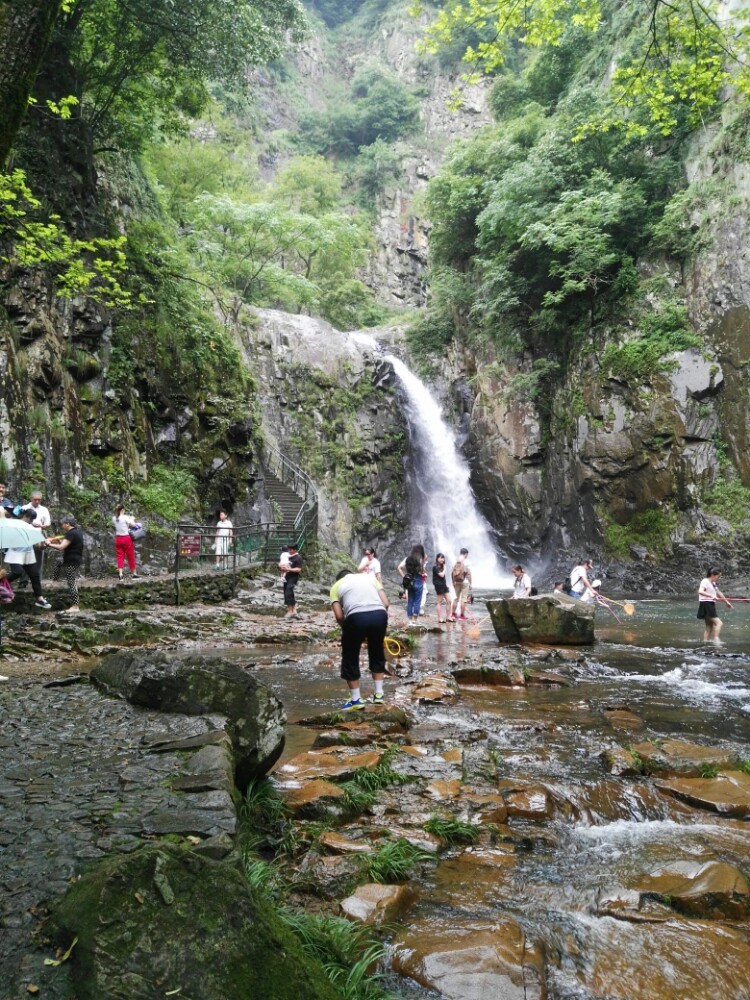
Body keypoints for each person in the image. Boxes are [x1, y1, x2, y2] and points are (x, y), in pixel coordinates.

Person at [329, 568, 390, 710]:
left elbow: (339, 615)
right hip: (379, 615)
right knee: (376, 651)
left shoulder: (336, 586)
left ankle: (356, 700)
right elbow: (386, 603)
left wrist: (349, 629)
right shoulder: (370, 578)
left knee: (350, 656)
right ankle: (379, 695)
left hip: (356, 617)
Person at [4, 509, 51, 609]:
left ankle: (40, 599)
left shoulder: (31, 528)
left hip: (28, 554)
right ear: (25, 516)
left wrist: (45, 544)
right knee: (17, 572)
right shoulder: (14, 524)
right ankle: (1, 583)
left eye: (32, 519)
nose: (30, 521)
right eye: (30, 518)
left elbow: (39, 545)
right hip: (15, 553)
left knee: (35, 575)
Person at [45, 516, 84, 613]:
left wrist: (49, 544)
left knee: (71, 582)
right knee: (58, 561)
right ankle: (54, 582)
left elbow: (62, 547)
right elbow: (67, 544)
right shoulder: (76, 532)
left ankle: (76, 606)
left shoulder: (71, 533)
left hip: (71, 560)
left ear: (67, 524)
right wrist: (58, 541)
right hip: (71, 559)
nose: (62, 526)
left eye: (63, 524)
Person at [698, 568, 732, 642]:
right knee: (719, 623)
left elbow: (719, 592)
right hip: (706, 604)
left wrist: (726, 602)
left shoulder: (713, 583)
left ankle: (705, 643)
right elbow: (700, 591)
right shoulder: (705, 581)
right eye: (718, 576)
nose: (719, 578)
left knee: (709, 626)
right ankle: (716, 640)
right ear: (712, 575)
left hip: (710, 604)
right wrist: (711, 596)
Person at [22, 491, 51, 575]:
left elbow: (48, 522)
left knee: (38, 559)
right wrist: (30, 523)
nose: (37, 501)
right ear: (31, 499)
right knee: (25, 559)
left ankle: (37, 579)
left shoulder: (44, 509)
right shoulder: (24, 508)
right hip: (26, 536)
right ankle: (24, 582)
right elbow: (18, 521)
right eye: (35, 499)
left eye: (39, 500)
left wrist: (45, 526)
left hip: (38, 536)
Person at [398, 544, 425, 624]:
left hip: (409, 582)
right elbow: (422, 571)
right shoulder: (420, 559)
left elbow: (399, 567)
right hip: (419, 581)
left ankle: (410, 621)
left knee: (410, 601)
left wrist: (404, 576)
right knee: (417, 601)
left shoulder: (407, 559)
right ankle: (414, 620)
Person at [112, 504, 139, 581]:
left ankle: (120, 575)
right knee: (130, 556)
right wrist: (132, 519)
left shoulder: (114, 518)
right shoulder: (125, 517)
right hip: (126, 538)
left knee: (120, 557)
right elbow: (134, 525)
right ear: (122, 510)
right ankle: (134, 574)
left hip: (118, 539)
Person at [450, 547, 472, 621]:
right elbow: (469, 574)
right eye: (467, 554)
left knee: (456, 598)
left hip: (457, 582)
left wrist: (453, 582)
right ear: (465, 554)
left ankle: (453, 614)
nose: (467, 556)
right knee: (463, 599)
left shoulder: (456, 561)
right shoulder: (466, 562)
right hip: (465, 582)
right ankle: (461, 616)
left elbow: (452, 573)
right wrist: (471, 583)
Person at [283, 543, 303, 618]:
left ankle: (290, 611)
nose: (289, 551)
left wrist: (289, 569)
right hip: (286, 577)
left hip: (293, 577)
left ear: (295, 550)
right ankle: (294, 610)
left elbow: (298, 569)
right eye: (288, 549)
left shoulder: (298, 558)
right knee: (286, 592)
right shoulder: (287, 557)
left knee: (288, 591)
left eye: (291, 549)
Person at [432, 553, 451, 623]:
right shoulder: (435, 567)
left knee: (449, 601)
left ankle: (448, 617)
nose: (442, 559)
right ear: (437, 559)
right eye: (440, 558)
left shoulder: (442, 567)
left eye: (443, 558)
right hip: (439, 586)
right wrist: (445, 569)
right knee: (439, 602)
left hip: (444, 585)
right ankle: (440, 618)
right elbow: (442, 575)